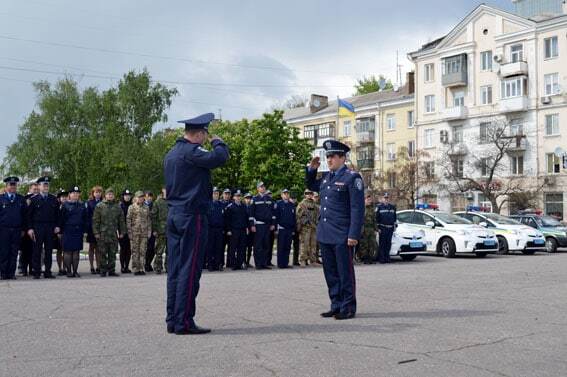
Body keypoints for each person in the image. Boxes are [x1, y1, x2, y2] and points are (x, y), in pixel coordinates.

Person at [164, 112, 229, 335]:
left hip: (174, 214)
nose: (205, 139)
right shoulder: (192, 151)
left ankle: (173, 319)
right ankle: (184, 322)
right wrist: (218, 142)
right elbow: (220, 158)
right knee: (189, 270)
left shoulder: (172, 153)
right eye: (205, 135)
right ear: (200, 134)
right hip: (191, 216)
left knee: (174, 269)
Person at [306, 140, 365, 320]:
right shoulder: (326, 178)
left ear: (342, 158)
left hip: (342, 234)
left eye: (332, 156)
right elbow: (311, 186)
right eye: (328, 156)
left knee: (344, 272)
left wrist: (353, 234)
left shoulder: (352, 178)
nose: (329, 160)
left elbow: (357, 208)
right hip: (326, 233)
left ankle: (347, 307)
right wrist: (311, 170)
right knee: (330, 273)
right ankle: (336, 304)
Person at [27, 176, 60, 279]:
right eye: (44, 185)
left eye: (47, 185)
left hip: (50, 227)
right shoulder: (34, 199)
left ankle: (48, 271)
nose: (46, 187)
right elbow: (29, 216)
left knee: (49, 250)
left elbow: (57, 215)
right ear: (39, 186)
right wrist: (30, 228)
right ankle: (36, 271)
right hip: (38, 227)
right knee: (37, 250)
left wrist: (57, 226)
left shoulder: (53, 199)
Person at [92, 188, 126, 277]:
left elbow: (121, 220)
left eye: (112, 194)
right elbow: (95, 221)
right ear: (105, 195)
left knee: (112, 253)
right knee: (102, 253)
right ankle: (103, 270)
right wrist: (96, 232)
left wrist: (122, 231)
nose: (110, 196)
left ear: (113, 196)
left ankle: (111, 270)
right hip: (103, 234)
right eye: (108, 194)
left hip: (113, 234)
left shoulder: (117, 206)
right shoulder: (100, 206)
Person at [0, 177, 26, 280]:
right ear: (6, 187)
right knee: (4, 252)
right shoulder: (1, 199)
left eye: (14, 185)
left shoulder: (20, 199)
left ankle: (11, 273)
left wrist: (23, 229)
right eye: (11, 185)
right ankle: (3, 273)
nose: (13, 187)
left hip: (16, 229)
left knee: (14, 252)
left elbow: (24, 215)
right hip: (3, 230)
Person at [59, 186, 88, 278]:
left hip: (78, 230)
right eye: (73, 193)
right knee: (67, 251)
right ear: (69, 195)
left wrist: (85, 230)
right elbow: (61, 219)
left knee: (76, 252)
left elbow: (85, 218)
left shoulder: (82, 205)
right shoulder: (64, 205)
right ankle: (68, 271)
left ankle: (75, 271)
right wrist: (60, 231)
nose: (75, 194)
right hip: (67, 230)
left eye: (77, 193)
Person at [249, 182, 275, 270]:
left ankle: (264, 263)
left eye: (264, 187)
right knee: (258, 245)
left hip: (267, 225)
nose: (263, 188)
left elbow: (273, 213)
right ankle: (258, 264)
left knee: (266, 245)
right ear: (258, 189)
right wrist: (252, 225)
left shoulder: (269, 199)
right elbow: (251, 214)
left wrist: (272, 224)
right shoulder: (254, 199)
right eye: (261, 187)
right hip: (258, 225)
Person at [127, 191, 152, 275]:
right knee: (135, 251)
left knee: (143, 251)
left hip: (144, 233)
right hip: (134, 233)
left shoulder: (146, 207)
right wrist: (130, 233)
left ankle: (142, 268)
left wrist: (149, 231)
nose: (140, 198)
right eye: (139, 197)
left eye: (142, 197)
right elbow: (128, 220)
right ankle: (135, 269)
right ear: (135, 198)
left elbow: (149, 220)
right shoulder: (131, 207)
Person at [224, 190, 249, 270]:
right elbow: (227, 220)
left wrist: (247, 227)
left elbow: (246, 218)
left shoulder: (243, 206)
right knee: (232, 248)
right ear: (234, 197)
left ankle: (239, 264)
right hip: (234, 230)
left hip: (242, 230)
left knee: (241, 248)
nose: (238, 197)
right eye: (237, 196)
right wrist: (228, 230)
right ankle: (232, 265)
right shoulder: (230, 207)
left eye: (239, 196)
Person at [19, 183, 39, 276]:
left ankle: (32, 268)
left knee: (34, 249)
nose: (36, 191)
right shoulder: (24, 199)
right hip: (26, 228)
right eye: (34, 189)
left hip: (35, 228)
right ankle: (23, 268)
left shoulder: (39, 198)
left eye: (37, 189)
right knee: (25, 250)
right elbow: (22, 214)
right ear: (30, 189)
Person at [296, 189, 319, 267]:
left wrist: (316, 223)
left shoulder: (315, 205)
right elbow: (298, 216)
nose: (309, 195)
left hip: (313, 227)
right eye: (307, 193)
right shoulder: (302, 204)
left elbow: (318, 215)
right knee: (304, 244)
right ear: (305, 194)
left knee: (313, 245)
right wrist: (303, 223)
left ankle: (313, 260)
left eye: (310, 193)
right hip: (305, 228)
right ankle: (302, 260)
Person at [275, 189, 296, 269]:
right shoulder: (278, 204)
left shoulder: (291, 205)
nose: (286, 195)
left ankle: (286, 263)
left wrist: (293, 229)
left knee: (287, 246)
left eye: (287, 194)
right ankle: (280, 264)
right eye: (284, 194)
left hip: (289, 229)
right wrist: (276, 228)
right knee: (281, 247)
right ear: (281, 195)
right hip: (282, 228)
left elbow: (294, 218)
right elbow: (276, 216)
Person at [206, 187, 225, 272]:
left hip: (219, 229)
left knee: (219, 247)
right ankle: (210, 265)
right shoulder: (208, 204)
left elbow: (224, 217)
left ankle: (217, 264)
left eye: (217, 193)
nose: (216, 195)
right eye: (214, 193)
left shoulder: (221, 204)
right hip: (210, 229)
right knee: (210, 248)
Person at [375, 193, 397, 264]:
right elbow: (376, 218)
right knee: (382, 244)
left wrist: (394, 226)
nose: (386, 199)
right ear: (382, 199)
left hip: (390, 228)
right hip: (383, 227)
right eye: (385, 198)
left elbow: (394, 218)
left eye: (387, 198)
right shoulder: (379, 207)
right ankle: (382, 259)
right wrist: (378, 228)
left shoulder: (392, 207)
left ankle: (387, 258)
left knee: (388, 244)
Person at [87, 186, 103, 274]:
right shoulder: (89, 203)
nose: (98, 194)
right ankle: (91, 266)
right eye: (96, 192)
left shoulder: (103, 202)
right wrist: (90, 227)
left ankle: (98, 266)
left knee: (98, 248)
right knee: (91, 248)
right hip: (92, 228)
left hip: (101, 228)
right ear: (93, 193)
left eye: (99, 192)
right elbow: (88, 216)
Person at [151, 187, 168, 274]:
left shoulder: (173, 201)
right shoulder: (158, 202)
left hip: (171, 230)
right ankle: (158, 267)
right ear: (162, 190)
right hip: (160, 230)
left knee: (170, 251)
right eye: (166, 189)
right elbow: (153, 217)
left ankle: (169, 267)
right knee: (159, 250)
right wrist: (154, 229)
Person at [357, 193, 377, 264]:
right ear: (364, 200)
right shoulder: (361, 208)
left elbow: (374, 220)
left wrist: (376, 229)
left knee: (372, 244)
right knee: (364, 244)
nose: (369, 201)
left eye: (370, 200)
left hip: (371, 229)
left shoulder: (372, 209)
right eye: (368, 200)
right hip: (364, 229)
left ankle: (370, 258)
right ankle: (364, 258)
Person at [55, 189, 68, 276]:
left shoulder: (69, 205)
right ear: (59, 198)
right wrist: (58, 231)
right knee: (59, 250)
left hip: (68, 231)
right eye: (62, 197)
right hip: (58, 231)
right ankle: (60, 268)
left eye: (65, 197)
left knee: (66, 251)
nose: (64, 198)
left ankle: (65, 268)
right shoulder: (56, 206)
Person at [119, 189, 133, 273]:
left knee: (129, 249)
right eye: (125, 196)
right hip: (122, 230)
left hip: (131, 230)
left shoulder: (133, 205)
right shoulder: (120, 206)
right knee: (123, 248)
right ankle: (122, 266)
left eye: (128, 196)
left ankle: (127, 266)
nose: (127, 197)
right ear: (123, 196)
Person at [144, 191, 156, 272]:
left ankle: (148, 263)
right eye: (148, 196)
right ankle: (144, 264)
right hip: (142, 230)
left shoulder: (154, 205)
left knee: (152, 249)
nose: (150, 198)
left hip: (152, 230)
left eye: (151, 197)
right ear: (145, 197)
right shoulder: (142, 205)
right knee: (144, 249)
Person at [220, 188, 232, 268]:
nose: (227, 195)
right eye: (225, 194)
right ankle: (221, 263)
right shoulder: (220, 204)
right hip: (222, 229)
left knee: (231, 247)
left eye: (228, 194)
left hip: (231, 229)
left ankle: (229, 263)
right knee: (221, 247)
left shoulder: (232, 204)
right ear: (223, 195)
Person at [243, 193, 254, 268]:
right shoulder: (243, 207)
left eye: (249, 198)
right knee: (243, 247)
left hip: (252, 229)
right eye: (247, 198)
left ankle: (248, 261)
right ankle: (243, 261)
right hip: (245, 229)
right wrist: (246, 227)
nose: (248, 200)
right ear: (244, 199)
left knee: (250, 247)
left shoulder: (253, 207)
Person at [289, 195, 301, 267]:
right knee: (287, 245)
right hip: (289, 227)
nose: (293, 200)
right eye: (292, 198)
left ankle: (295, 260)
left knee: (296, 245)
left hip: (297, 228)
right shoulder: (288, 205)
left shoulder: (298, 205)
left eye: (294, 198)